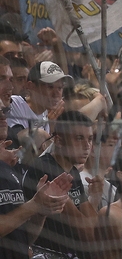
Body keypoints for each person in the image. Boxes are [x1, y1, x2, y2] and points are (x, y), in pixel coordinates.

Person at [23, 111, 105, 259]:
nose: (87, 146)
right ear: (59, 141)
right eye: (79, 138)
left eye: (90, 139)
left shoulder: (72, 171)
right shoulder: (46, 170)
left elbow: (92, 227)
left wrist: (95, 198)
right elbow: (86, 234)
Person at [0, 104, 73, 259]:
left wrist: (40, 211)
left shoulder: (9, 167)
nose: (3, 117)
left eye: (5, 111)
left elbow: (24, 239)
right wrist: (34, 204)